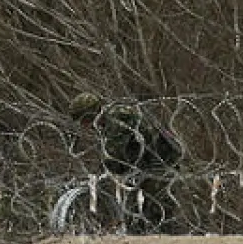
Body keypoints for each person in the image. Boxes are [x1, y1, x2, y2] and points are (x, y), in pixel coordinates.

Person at [66, 91, 184, 234]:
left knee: (156, 207)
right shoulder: (110, 117)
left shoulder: (116, 117)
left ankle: (165, 241)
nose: (84, 126)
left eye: (83, 121)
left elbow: (115, 153)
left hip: (161, 159)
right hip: (143, 161)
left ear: (90, 114)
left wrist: (108, 171)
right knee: (133, 210)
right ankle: (142, 240)